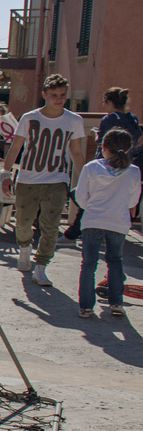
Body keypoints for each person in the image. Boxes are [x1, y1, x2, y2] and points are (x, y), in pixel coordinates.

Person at [3, 74, 85, 288]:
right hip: (28, 179)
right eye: (54, 95)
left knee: (51, 226)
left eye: (62, 96)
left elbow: (76, 152)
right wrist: (6, 174)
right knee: (22, 222)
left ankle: (41, 267)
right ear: (44, 95)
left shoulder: (74, 120)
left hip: (58, 180)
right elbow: (16, 147)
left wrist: (86, 180)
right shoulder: (30, 118)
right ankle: (24, 248)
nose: (59, 99)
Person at [74, 129, 140, 318]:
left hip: (92, 219)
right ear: (128, 149)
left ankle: (86, 307)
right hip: (118, 221)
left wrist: (92, 208)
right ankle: (116, 302)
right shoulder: (134, 171)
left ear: (103, 146)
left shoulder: (91, 167)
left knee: (88, 264)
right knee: (115, 261)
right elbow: (133, 201)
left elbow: (80, 197)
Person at [64, 87, 140, 242]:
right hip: (125, 164)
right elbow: (139, 137)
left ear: (109, 102)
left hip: (105, 164)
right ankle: (76, 232)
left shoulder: (109, 119)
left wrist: (97, 134)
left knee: (84, 195)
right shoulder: (132, 118)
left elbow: (100, 140)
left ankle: (75, 233)